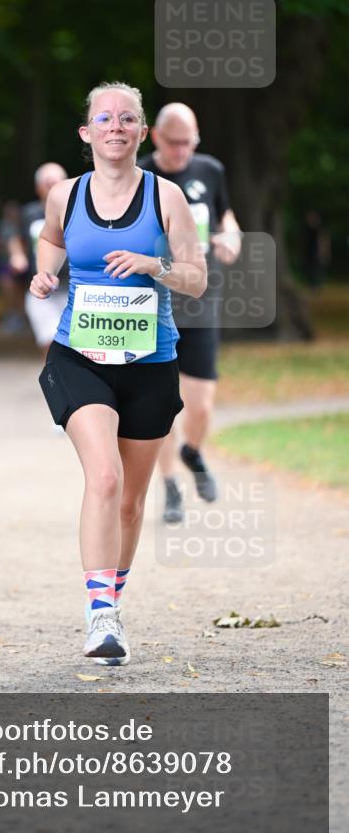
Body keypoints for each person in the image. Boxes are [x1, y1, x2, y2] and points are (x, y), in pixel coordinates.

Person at [32, 82, 206, 664]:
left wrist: (153, 265)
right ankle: (101, 615)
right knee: (102, 477)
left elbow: (196, 278)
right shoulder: (64, 194)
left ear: (140, 132)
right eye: (103, 118)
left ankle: (111, 598)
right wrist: (44, 273)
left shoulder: (167, 198)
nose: (115, 126)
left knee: (132, 500)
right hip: (79, 355)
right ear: (87, 133)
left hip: (150, 361)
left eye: (126, 118)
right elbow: (50, 240)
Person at [139, 103, 241, 522]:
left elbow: (225, 216)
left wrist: (230, 237)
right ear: (156, 137)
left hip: (199, 301)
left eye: (189, 142)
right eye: (174, 142)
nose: (182, 151)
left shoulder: (210, 171)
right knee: (162, 402)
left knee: (200, 405)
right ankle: (170, 485)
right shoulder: (137, 176)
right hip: (150, 305)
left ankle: (193, 452)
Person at [9, 163, 68, 358]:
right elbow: (16, 239)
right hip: (41, 289)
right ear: (38, 187)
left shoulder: (78, 211)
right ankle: (54, 386)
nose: (52, 186)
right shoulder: (29, 213)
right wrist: (17, 255)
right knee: (50, 342)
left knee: (74, 345)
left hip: (74, 287)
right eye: (47, 183)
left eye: (56, 182)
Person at [0, 200, 27, 334]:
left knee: (20, 291)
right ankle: (11, 315)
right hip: (4, 263)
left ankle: (21, 317)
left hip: (22, 265)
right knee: (7, 290)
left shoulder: (23, 225)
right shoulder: (1, 226)